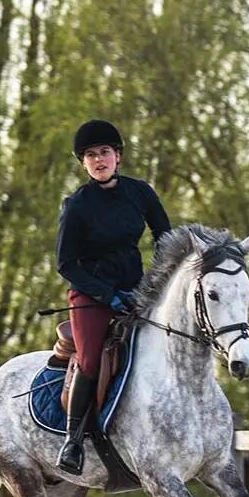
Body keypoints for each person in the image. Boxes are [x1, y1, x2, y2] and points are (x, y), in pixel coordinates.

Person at [53, 119, 171, 473]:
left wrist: (157, 282)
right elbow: (65, 263)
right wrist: (108, 295)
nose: (98, 160)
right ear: (83, 163)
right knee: (90, 360)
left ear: (117, 156)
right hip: (91, 295)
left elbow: (165, 237)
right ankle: (73, 442)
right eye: (90, 155)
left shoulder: (141, 193)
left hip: (136, 290)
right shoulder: (77, 205)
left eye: (104, 152)